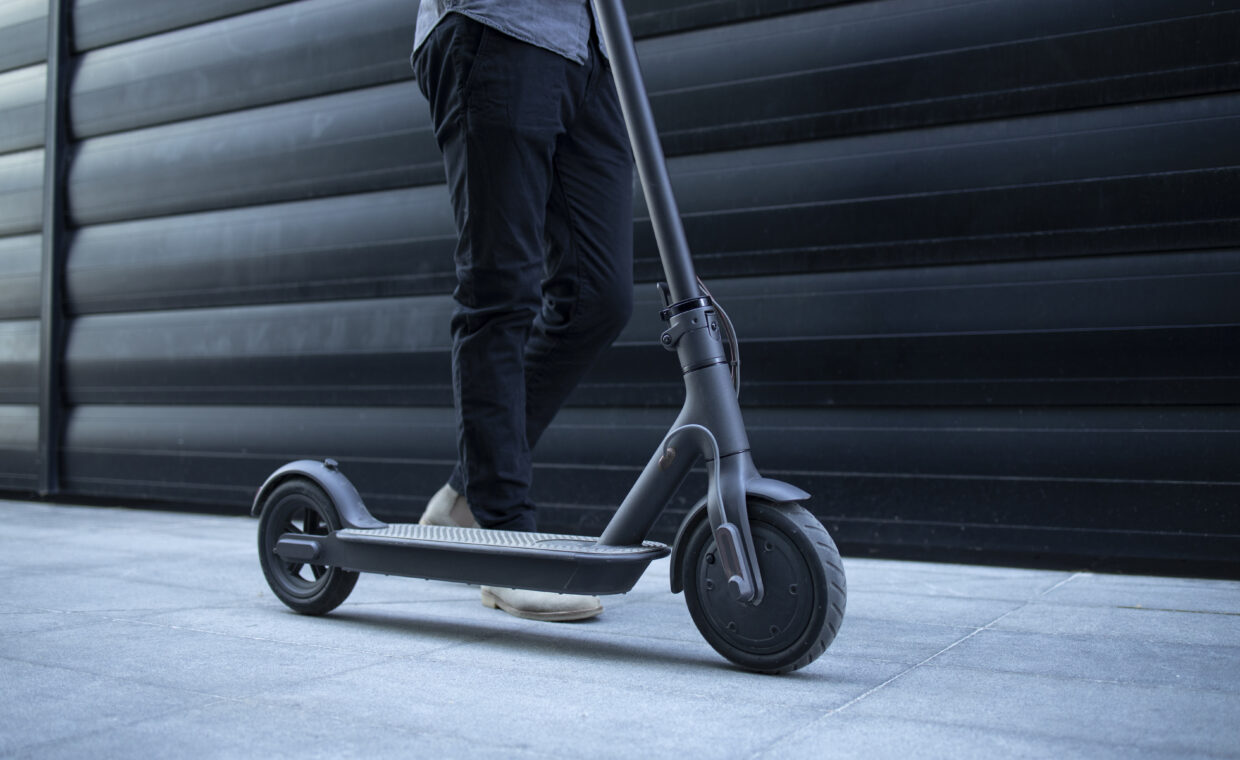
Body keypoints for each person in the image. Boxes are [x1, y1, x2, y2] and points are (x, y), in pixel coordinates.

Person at [410, 2, 634, 621]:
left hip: (593, 47)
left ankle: (464, 498)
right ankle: (502, 542)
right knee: (500, 290)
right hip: (499, 24)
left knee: (600, 298)